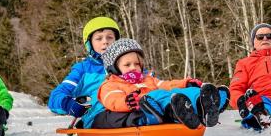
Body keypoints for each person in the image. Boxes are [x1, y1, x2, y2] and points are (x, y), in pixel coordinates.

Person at [83, 38, 229, 129]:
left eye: (137, 64)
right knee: (161, 95)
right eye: (127, 65)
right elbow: (112, 100)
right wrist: (127, 102)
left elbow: (167, 85)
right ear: (114, 68)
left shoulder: (148, 79)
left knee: (175, 92)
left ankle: (204, 101)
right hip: (143, 106)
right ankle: (177, 112)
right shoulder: (110, 84)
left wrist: (186, 84)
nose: (134, 67)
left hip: (159, 102)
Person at [48, 16, 120, 118]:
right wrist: (68, 104)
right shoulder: (83, 69)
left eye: (110, 37)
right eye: (99, 38)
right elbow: (55, 96)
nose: (105, 41)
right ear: (89, 44)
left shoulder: (128, 64)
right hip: (98, 119)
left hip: (128, 116)